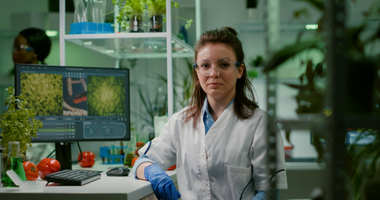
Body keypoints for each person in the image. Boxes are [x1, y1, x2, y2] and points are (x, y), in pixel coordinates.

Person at [132, 27, 288, 200]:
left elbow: (269, 192)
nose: (214, 74)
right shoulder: (180, 121)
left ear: (240, 70)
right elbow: (142, 161)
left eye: (224, 65)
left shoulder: (261, 124)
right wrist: (153, 172)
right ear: (197, 71)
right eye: (205, 65)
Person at [11, 27, 53, 164]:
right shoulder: (21, 80)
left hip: (40, 160)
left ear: (35, 52)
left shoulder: (43, 82)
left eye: (20, 47)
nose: (14, 52)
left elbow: (40, 131)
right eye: (15, 47)